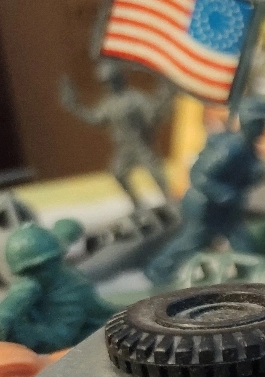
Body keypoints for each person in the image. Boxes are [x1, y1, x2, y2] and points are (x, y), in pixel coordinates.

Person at [145, 98, 265, 285]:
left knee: (241, 241)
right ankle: (158, 270)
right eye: (261, 122)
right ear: (251, 123)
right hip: (204, 206)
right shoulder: (231, 149)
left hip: (225, 210)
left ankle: (253, 275)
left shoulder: (248, 149)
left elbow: (242, 178)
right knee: (192, 241)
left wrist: (255, 175)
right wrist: (224, 193)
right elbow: (199, 175)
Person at [60, 60, 173, 208]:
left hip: (140, 145)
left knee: (156, 173)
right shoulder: (108, 104)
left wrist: (164, 98)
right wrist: (75, 106)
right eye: (106, 82)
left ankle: (170, 200)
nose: (109, 85)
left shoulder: (134, 98)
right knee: (118, 173)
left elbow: (151, 114)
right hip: (124, 147)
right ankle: (137, 204)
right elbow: (95, 119)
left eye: (112, 80)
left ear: (119, 79)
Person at [0, 224, 116, 353]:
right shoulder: (31, 286)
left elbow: (58, 340)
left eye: (40, 269)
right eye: (25, 272)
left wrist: (19, 332)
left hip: (99, 342)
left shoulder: (73, 291)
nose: (29, 278)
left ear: (55, 262)